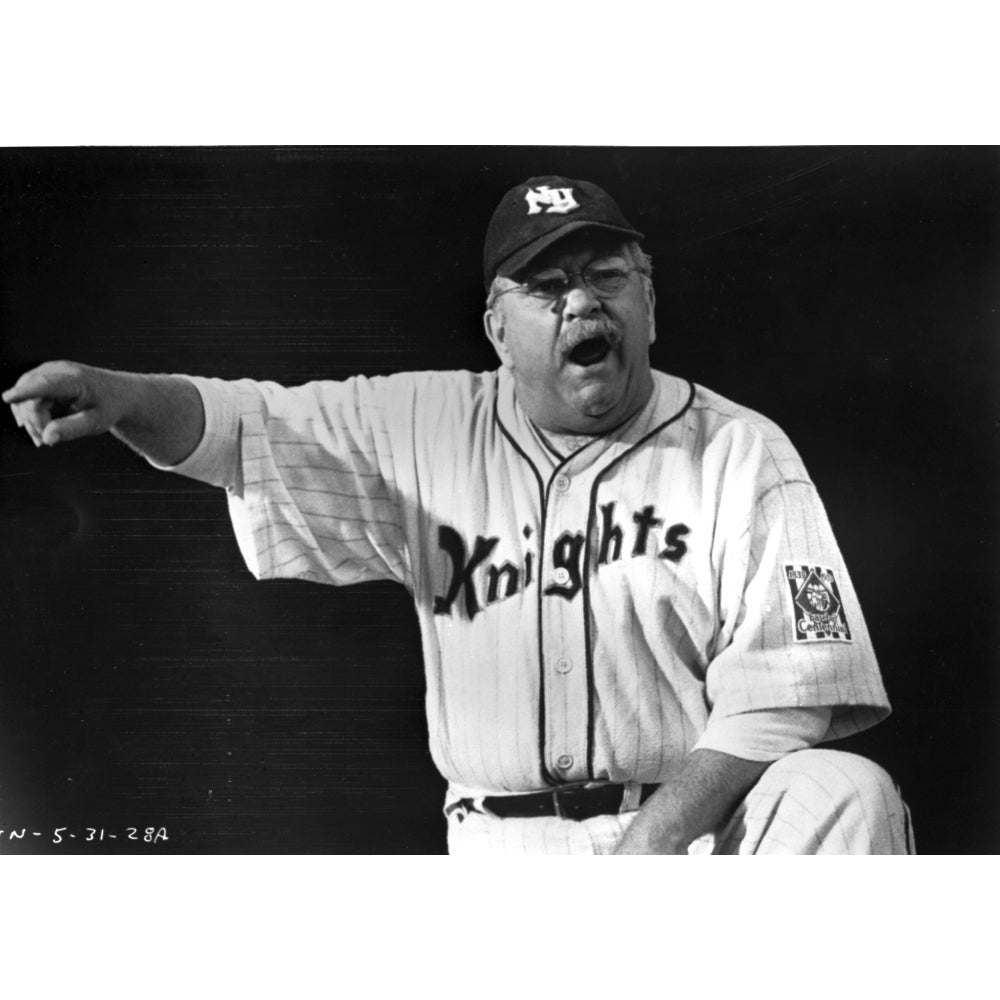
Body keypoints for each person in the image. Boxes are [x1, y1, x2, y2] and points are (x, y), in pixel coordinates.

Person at [3, 175, 914, 854]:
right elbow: (245, 428)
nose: (581, 302)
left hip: (695, 833)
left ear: (648, 301)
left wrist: (657, 847)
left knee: (846, 791)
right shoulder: (427, 424)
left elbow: (787, 691)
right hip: (503, 850)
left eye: (605, 274)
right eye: (547, 289)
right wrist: (120, 397)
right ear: (497, 330)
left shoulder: (741, 450)